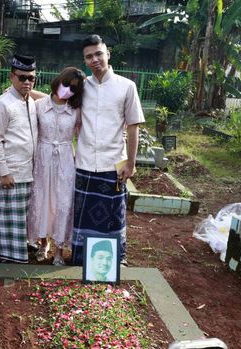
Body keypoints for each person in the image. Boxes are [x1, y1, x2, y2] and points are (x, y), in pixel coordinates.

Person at [72, 34, 146, 266]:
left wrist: (131, 163)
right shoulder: (81, 87)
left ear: (108, 54)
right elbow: (55, 99)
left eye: (98, 54)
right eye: (89, 57)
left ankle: (114, 261)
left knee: (113, 214)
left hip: (113, 162)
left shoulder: (126, 87)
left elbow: (133, 126)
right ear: (84, 61)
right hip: (84, 162)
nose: (94, 59)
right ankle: (80, 259)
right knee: (83, 213)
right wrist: (26, 93)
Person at [27, 67, 86, 266]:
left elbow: (82, 136)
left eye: (73, 88)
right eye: (66, 84)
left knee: (62, 203)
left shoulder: (75, 110)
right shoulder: (38, 105)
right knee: (42, 200)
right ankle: (44, 243)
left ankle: (59, 249)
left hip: (65, 160)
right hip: (42, 158)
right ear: (59, 80)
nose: (68, 89)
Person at [0, 54, 38, 263]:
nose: (26, 82)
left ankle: (19, 252)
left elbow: (56, 96)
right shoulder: (2, 104)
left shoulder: (31, 102)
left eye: (31, 78)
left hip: (28, 171)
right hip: (11, 172)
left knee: (21, 218)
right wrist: (4, 171)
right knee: (8, 218)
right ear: (12, 77)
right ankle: (8, 256)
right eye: (22, 77)